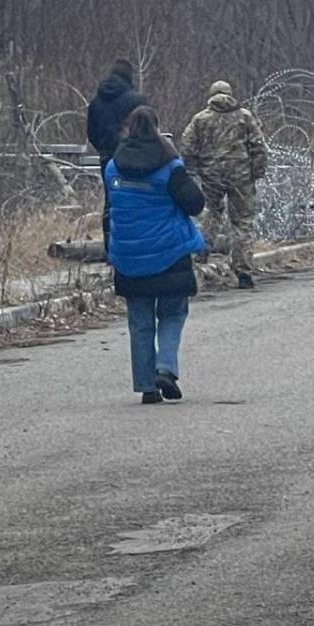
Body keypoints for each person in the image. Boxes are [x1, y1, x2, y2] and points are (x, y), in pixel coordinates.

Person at [105, 106, 205, 404]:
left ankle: (147, 386)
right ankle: (166, 367)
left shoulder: (113, 167)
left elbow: (112, 209)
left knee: (139, 321)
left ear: (129, 129)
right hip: (170, 254)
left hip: (129, 256)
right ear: (158, 129)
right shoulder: (170, 167)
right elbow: (195, 204)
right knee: (173, 313)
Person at [179, 82, 267, 289]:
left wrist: (194, 169)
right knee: (242, 222)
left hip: (211, 175)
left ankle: (201, 253)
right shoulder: (244, 116)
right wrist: (256, 172)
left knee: (211, 213)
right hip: (241, 175)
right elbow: (259, 147)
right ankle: (243, 271)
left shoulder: (200, 119)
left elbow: (187, 146)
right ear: (230, 95)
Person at [86, 59, 147, 247]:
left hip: (107, 158)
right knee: (134, 198)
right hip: (132, 158)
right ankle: (132, 244)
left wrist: (104, 150)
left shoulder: (95, 102)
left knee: (111, 199)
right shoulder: (136, 100)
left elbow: (91, 133)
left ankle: (109, 246)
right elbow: (145, 130)